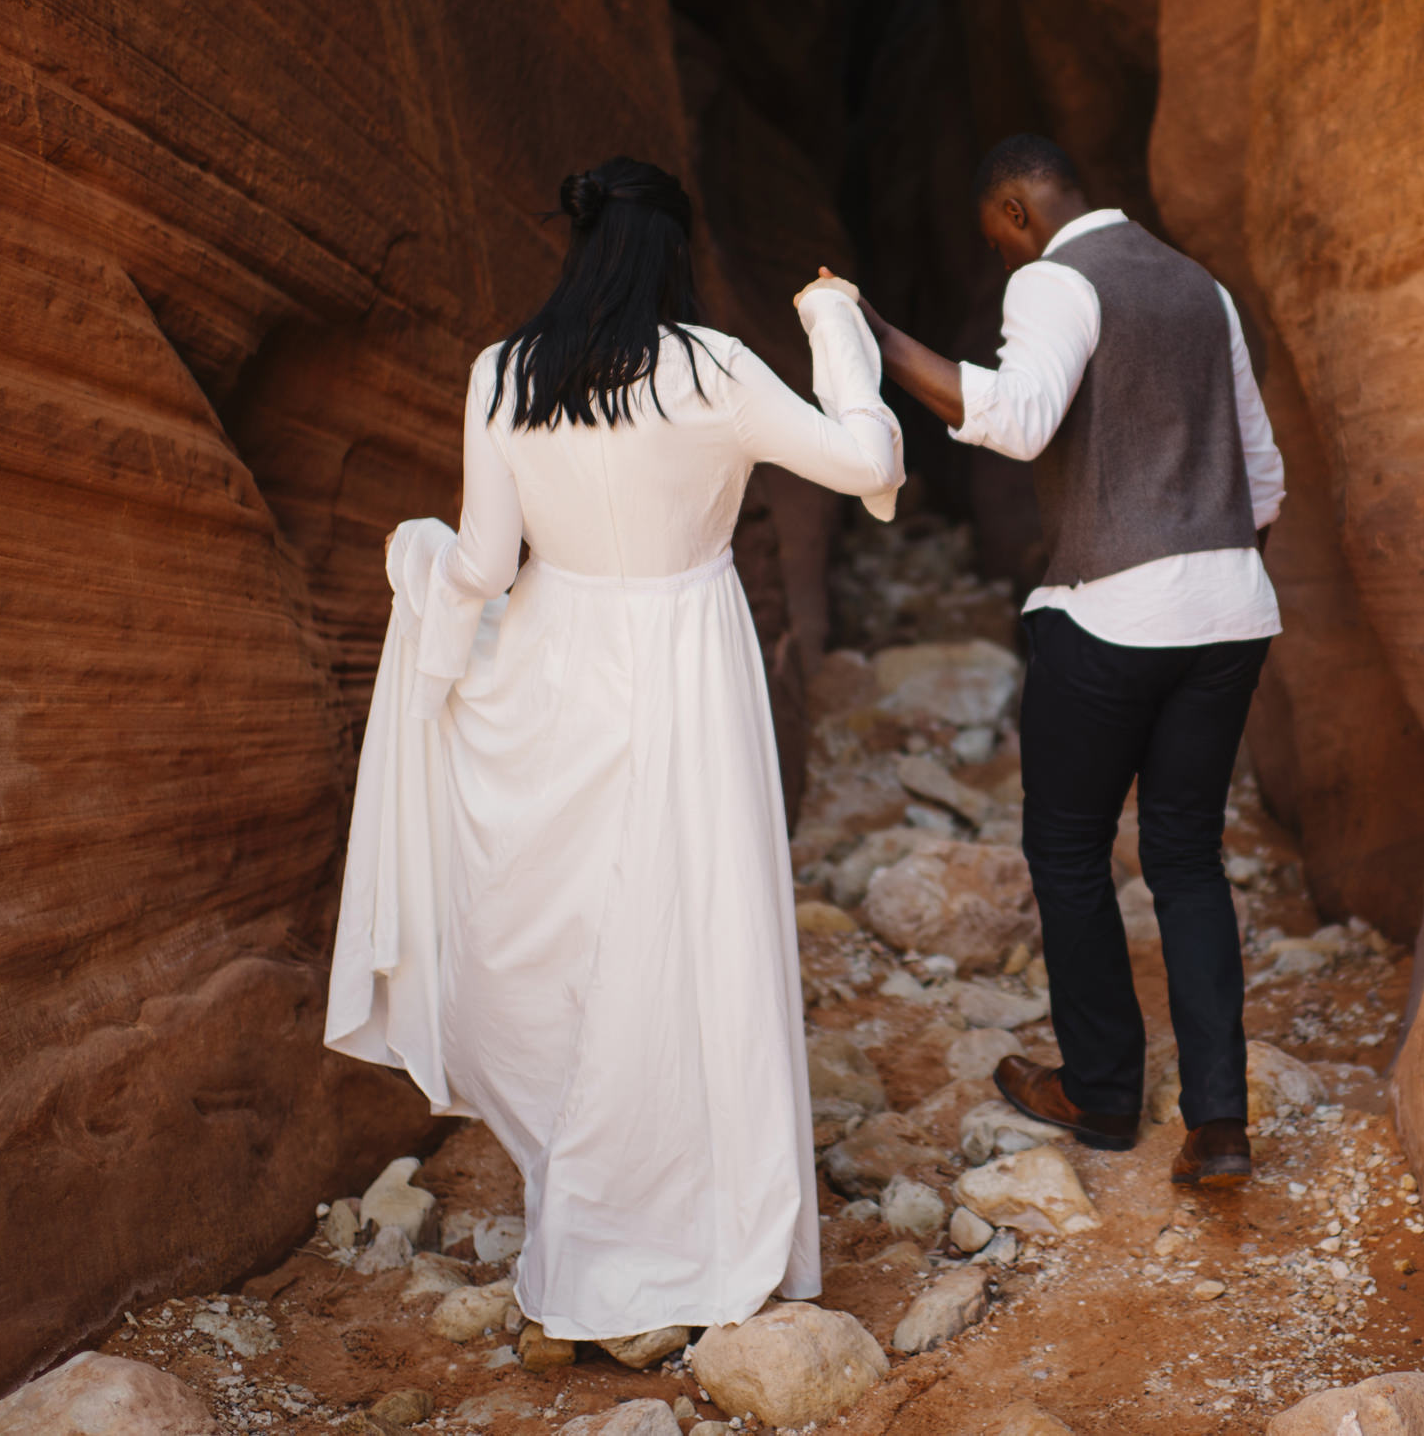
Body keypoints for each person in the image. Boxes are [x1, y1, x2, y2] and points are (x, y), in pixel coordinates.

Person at [322, 159, 903, 1343]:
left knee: (577, 935)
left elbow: (482, 565)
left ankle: (593, 1203)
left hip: (554, 667)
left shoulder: (503, 372)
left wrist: (418, 559)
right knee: (696, 929)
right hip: (688, 656)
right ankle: (702, 1212)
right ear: (672, 254)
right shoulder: (716, 369)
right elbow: (870, 465)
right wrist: (835, 321)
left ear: (579, 245)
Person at [844, 132, 1284, 1188]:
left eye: (995, 243)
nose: (1002, 264)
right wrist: (1200, 570)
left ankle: (1100, 1090)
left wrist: (878, 338)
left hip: (1111, 616)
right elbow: (1261, 478)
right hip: (1231, 613)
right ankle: (1219, 1123)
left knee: (1070, 851)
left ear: (1011, 214)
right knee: (1184, 858)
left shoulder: (1054, 279)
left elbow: (1020, 419)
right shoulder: (1201, 287)